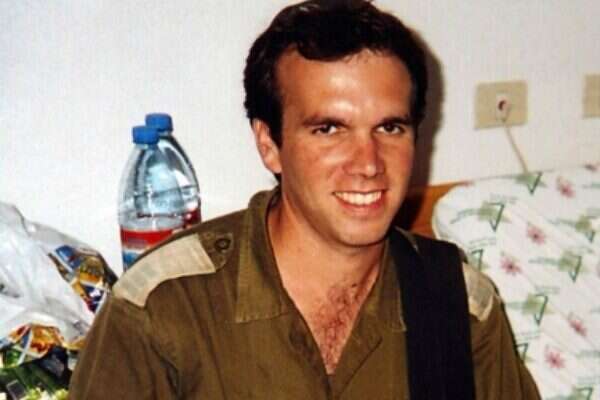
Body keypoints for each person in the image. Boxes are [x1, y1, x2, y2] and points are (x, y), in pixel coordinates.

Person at [69, 0, 540, 398]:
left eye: (390, 127)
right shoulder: (163, 309)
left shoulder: (459, 306)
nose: (368, 163)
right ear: (269, 144)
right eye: (329, 129)